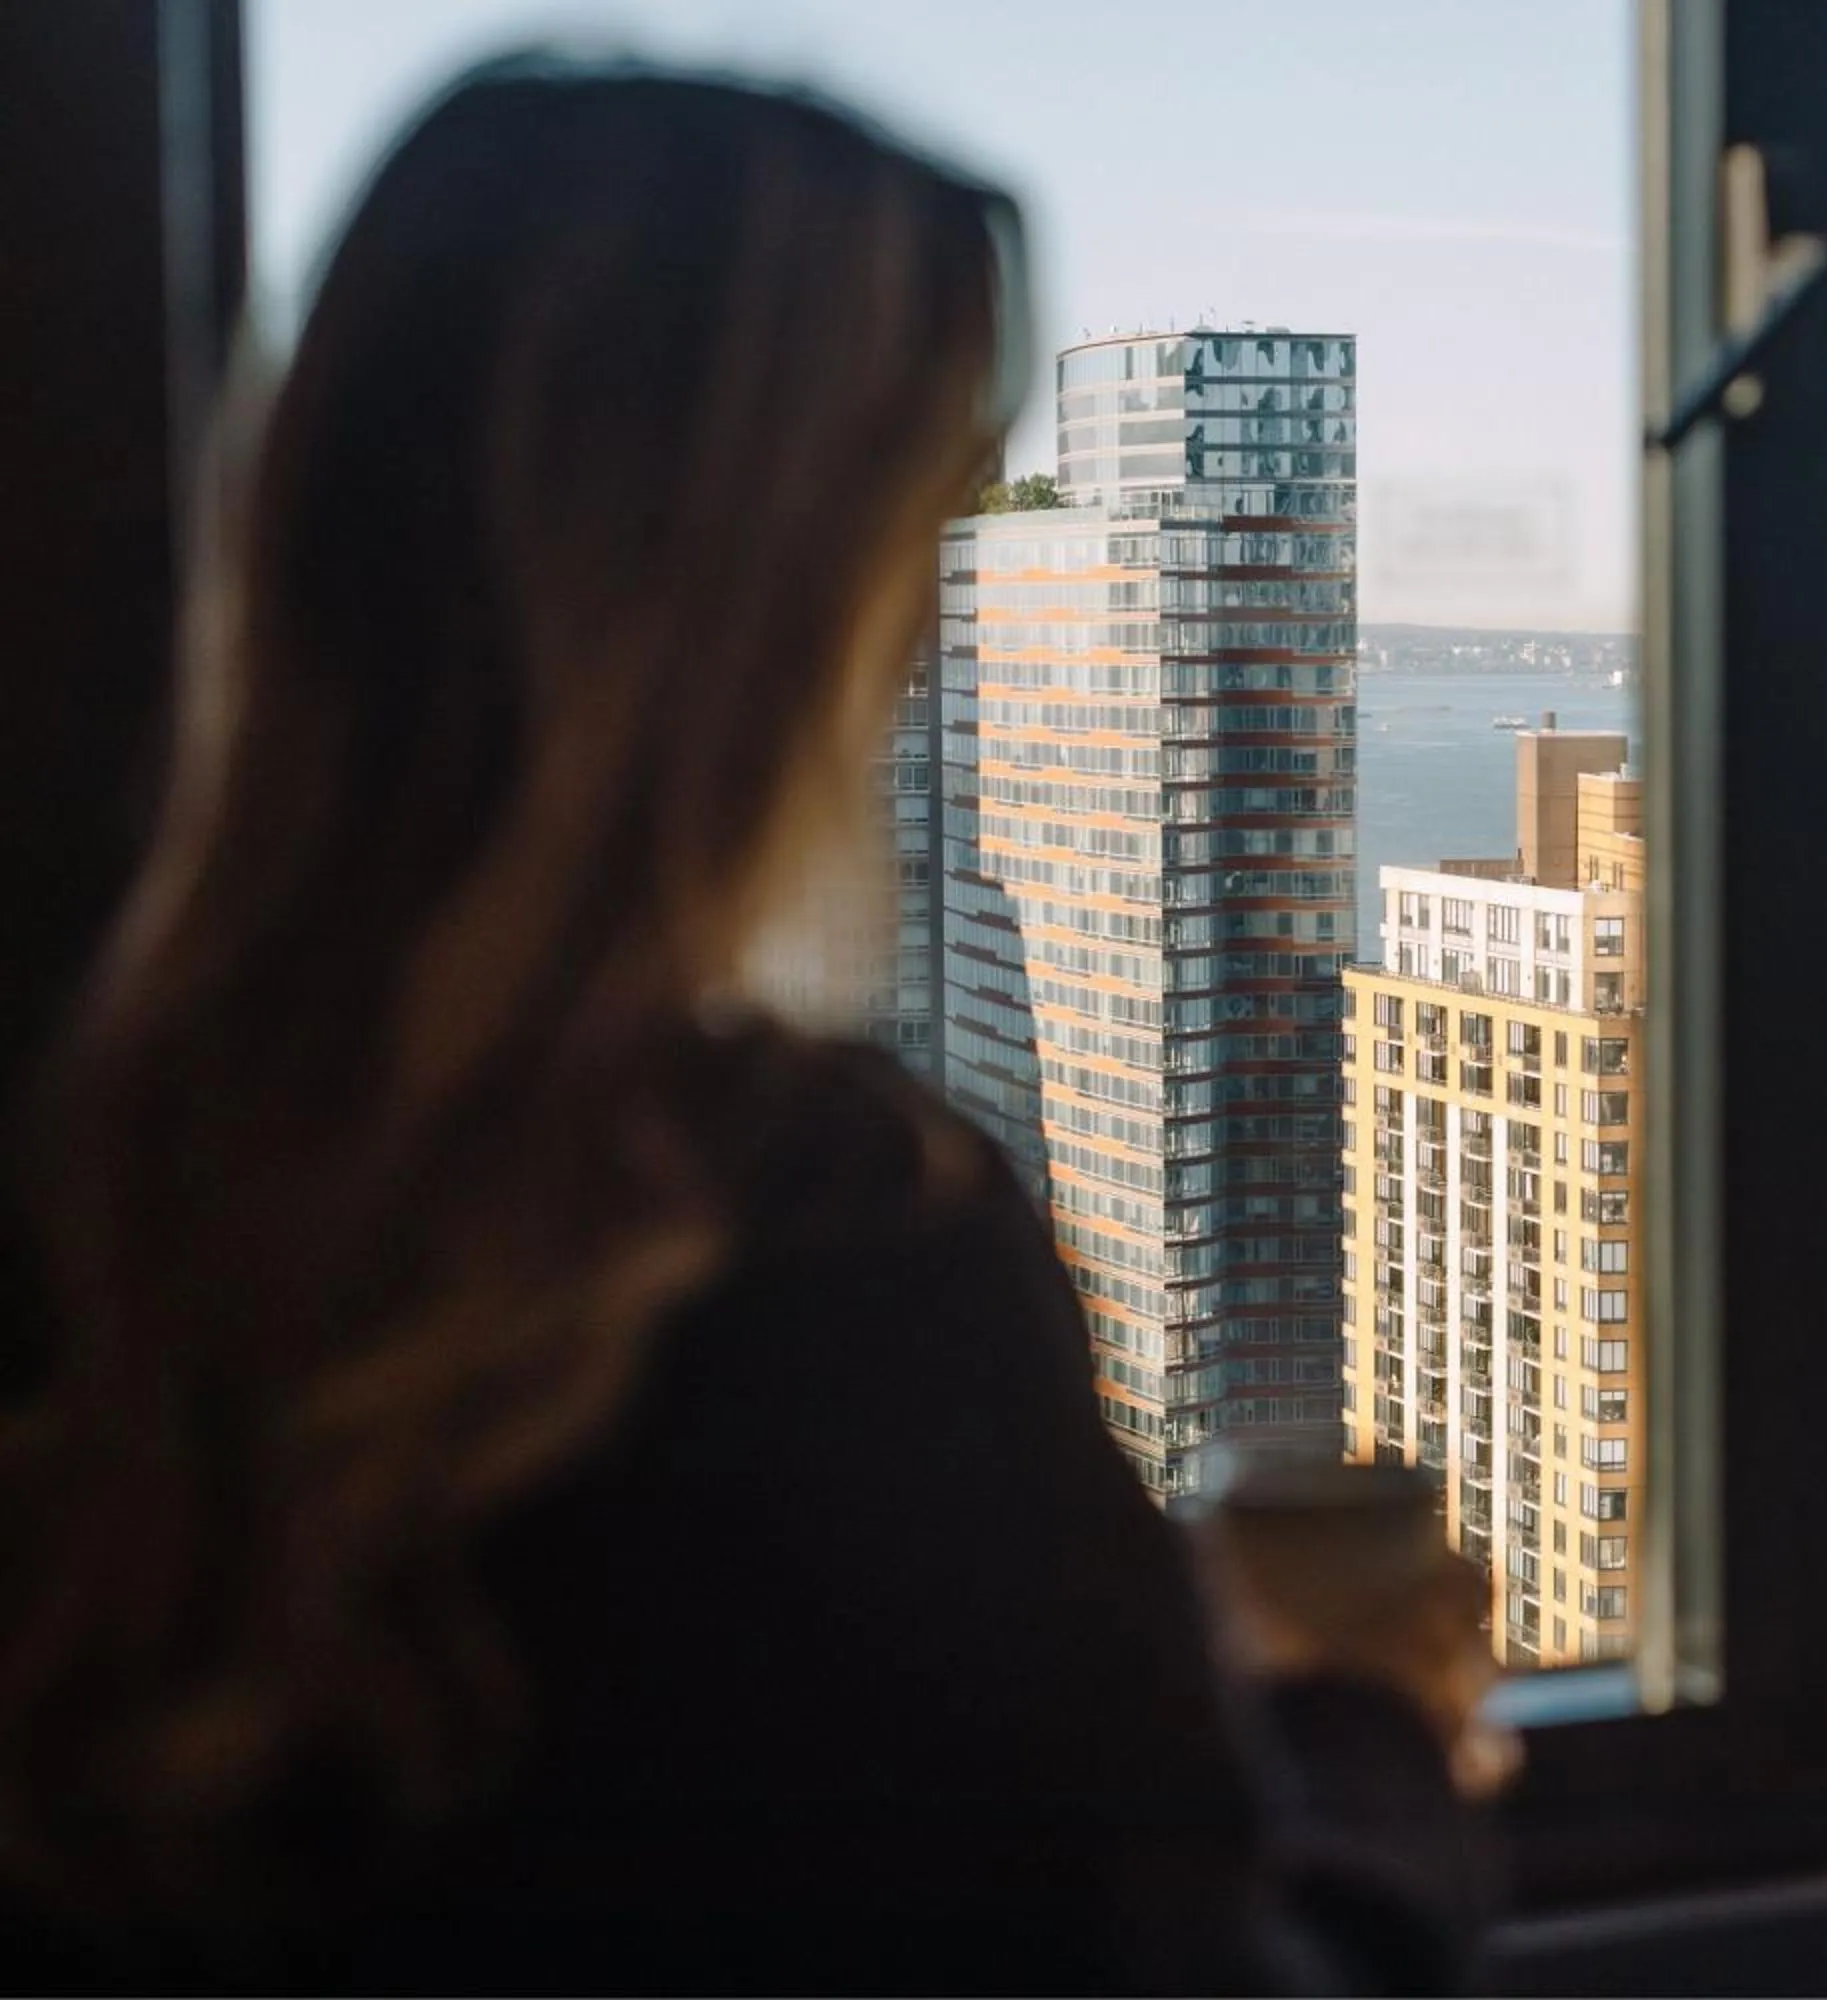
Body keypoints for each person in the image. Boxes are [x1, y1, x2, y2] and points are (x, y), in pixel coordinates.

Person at [0, 57, 1494, 1994]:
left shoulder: (99, 1147)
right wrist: (1370, 1723)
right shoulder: (820, 1238)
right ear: (783, 602)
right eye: (931, 516)